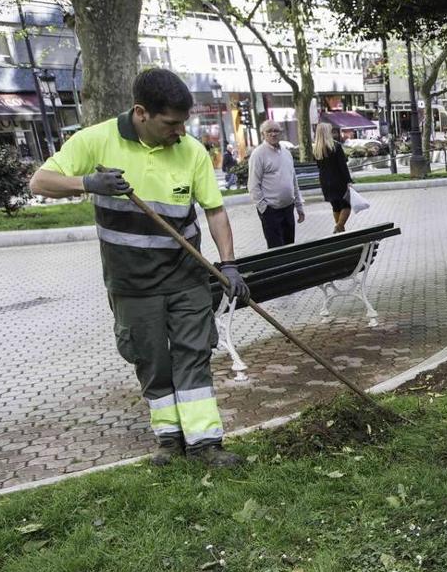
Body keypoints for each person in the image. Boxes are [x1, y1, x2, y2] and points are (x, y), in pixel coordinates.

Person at [28, 67, 249, 468]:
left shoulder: (192, 151)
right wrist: (87, 184)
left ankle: (205, 443)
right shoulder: (96, 140)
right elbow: (39, 182)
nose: (180, 131)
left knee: (193, 355)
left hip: (186, 278)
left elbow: (215, 212)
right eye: (171, 123)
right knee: (152, 360)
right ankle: (169, 439)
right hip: (131, 284)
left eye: (184, 122)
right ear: (141, 112)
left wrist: (229, 265)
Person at [248, 120, 304, 248]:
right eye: (269, 131)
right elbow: (253, 185)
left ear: (281, 133)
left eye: (276, 131)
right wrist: (264, 209)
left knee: (290, 246)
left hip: (288, 208)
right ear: (263, 134)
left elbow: (293, 180)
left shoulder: (286, 153)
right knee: (276, 250)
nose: (273, 134)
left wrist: (299, 206)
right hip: (271, 211)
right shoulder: (258, 155)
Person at [313, 121, 354, 233]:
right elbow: (342, 166)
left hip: (325, 182)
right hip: (338, 180)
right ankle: (339, 227)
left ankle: (340, 230)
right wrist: (348, 181)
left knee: (335, 206)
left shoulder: (316, 149)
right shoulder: (336, 146)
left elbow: (319, 166)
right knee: (346, 205)